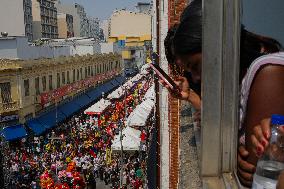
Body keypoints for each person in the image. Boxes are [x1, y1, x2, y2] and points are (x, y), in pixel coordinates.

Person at [161, 0, 284, 187]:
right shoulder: (241, 80)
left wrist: (231, 154)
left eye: (194, 66)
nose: (194, 78)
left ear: (216, 48)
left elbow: (253, 167)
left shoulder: (267, 74)